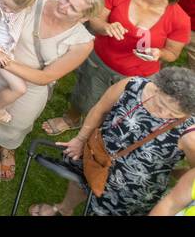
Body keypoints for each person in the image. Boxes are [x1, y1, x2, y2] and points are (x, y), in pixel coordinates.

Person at [42, 0, 190, 139]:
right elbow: (94, 20)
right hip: (100, 61)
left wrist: (159, 53)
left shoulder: (181, 19)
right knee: (84, 94)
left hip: (138, 76)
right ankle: (72, 119)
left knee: (119, 109)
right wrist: (106, 27)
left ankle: (101, 134)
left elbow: (173, 53)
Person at [33, 69, 195, 216]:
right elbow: (100, 109)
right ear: (158, 88)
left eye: (174, 114)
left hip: (129, 193)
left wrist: (174, 174)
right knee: (79, 182)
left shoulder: (190, 133)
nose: (164, 113)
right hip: (96, 156)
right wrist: (81, 139)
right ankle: (63, 209)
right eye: (161, 105)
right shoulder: (132, 86)